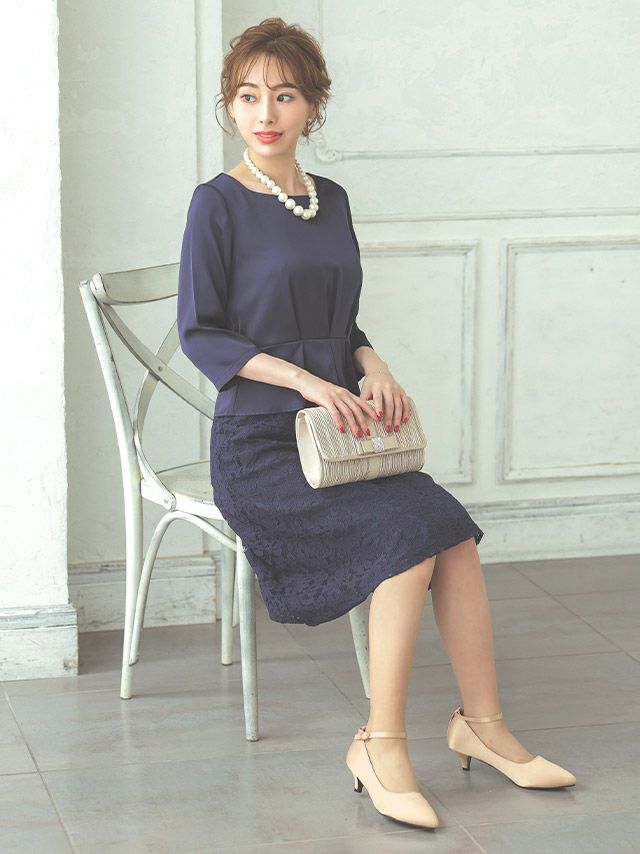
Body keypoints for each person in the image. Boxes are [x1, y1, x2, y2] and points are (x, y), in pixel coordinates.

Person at [177, 16, 576, 832]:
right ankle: (380, 744)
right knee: (405, 539)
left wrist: (373, 365)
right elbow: (201, 332)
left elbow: (343, 323)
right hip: (261, 445)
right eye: (248, 96)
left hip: (342, 431)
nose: (266, 113)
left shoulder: (331, 201)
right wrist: (305, 382)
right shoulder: (215, 204)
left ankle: (483, 725)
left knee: (451, 532)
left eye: (284, 95)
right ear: (230, 105)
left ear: (312, 106)